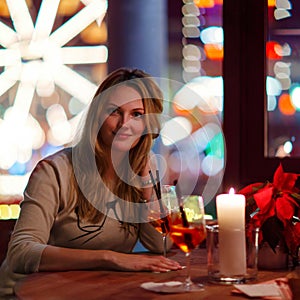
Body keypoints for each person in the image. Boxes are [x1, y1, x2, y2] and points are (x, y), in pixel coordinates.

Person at [0, 68, 182, 296]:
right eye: (114, 112)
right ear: (96, 116)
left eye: (137, 114)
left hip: (90, 290)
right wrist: (110, 258)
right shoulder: (54, 171)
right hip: (27, 293)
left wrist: (146, 185)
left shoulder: (145, 170)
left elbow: (162, 245)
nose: (125, 123)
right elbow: (20, 253)